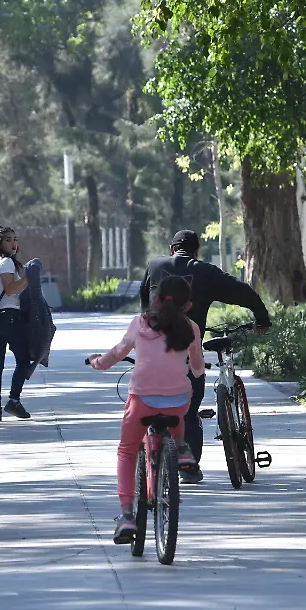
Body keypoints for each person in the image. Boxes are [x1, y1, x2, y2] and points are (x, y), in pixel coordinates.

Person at [141, 230, 270, 484]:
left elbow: (144, 302)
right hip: (187, 351)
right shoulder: (206, 272)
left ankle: (153, 460)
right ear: (196, 251)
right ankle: (188, 468)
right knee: (188, 407)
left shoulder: (154, 266)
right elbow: (242, 292)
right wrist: (261, 317)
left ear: (171, 249)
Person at [88, 276, 205, 542]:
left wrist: (96, 362)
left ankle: (127, 514)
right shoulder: (191, 327)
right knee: (179, 407)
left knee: (127, 451)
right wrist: (193, 369)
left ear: (155, 298)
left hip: (142, 401)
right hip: (177, 400)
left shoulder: (140, 322)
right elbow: (197, 368)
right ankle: (182, 449)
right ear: (188, 305)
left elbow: (116, 354)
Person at [0, 226, 36, 422]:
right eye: (8, 240)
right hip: (9, 317)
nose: (14, 243)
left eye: (15, 239)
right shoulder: (5, 263)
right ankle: (13, 400)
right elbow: (10, 290)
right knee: (23, 360)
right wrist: (27, 278)